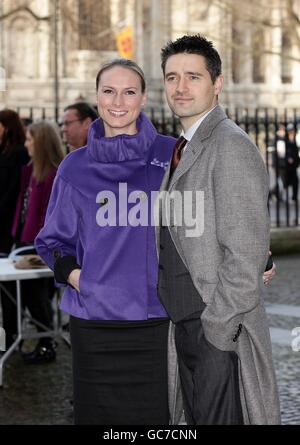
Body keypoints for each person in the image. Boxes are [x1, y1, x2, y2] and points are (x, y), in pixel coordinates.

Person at [35, 59, 176, 425]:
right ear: (97, 97)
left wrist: (255, 251)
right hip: (94, 324)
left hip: (158, 321)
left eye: (129, 91)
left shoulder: (172, 155)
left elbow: (210, 215)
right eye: (109, 91)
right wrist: (83, 279)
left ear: (144, 98)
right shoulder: (74, 167)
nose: (118, 101)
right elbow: (52, 243)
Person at [157, 35, 281, 425]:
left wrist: (216, 329)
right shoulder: (184, 147)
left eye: (193, 76)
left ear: (217, 83)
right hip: (187, 327)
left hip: (215, 330)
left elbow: (245, 255)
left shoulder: (230, 145)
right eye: (172, 77)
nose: (180, 87)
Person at [3, 121, 64, 362]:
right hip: (22, 241)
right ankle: (13, 340)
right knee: (16, 296)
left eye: (30, 140)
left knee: (36, 298)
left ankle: (46, 344)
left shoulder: (53, 173)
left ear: (40, 142)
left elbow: (51, 214)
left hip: (38, 245)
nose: (26, 144)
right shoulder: (30, 170)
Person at [0, 109, 28, 255]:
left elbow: (14, 187)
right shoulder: (4, 150)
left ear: (7, 127)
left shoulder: (19, 152)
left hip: (8, 215)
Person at [285, 123, 299, 203]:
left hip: (293, 165)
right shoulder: (287, 141)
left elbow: (296, 153)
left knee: (295, 181)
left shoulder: (294, 141)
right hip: (287, 166)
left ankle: (294, 197)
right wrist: (288, 158)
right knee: (286, 182)